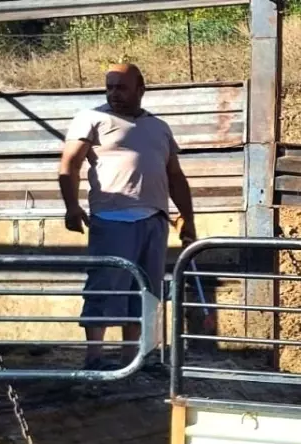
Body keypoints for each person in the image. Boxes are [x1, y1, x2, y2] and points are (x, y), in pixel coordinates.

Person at [58, 63, 197, 370]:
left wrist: (188, 217)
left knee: (146, 290)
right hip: (112, 218)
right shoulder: (92, 118)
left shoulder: (159, 127)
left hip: (154, 220)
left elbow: (175, 176)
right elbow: (69, 164)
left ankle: (133, 356)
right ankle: (94, 357)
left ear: (140, 88)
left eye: (121, 87)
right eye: (109, 87)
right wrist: (71, 206)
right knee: (105, 285)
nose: (113, 93)